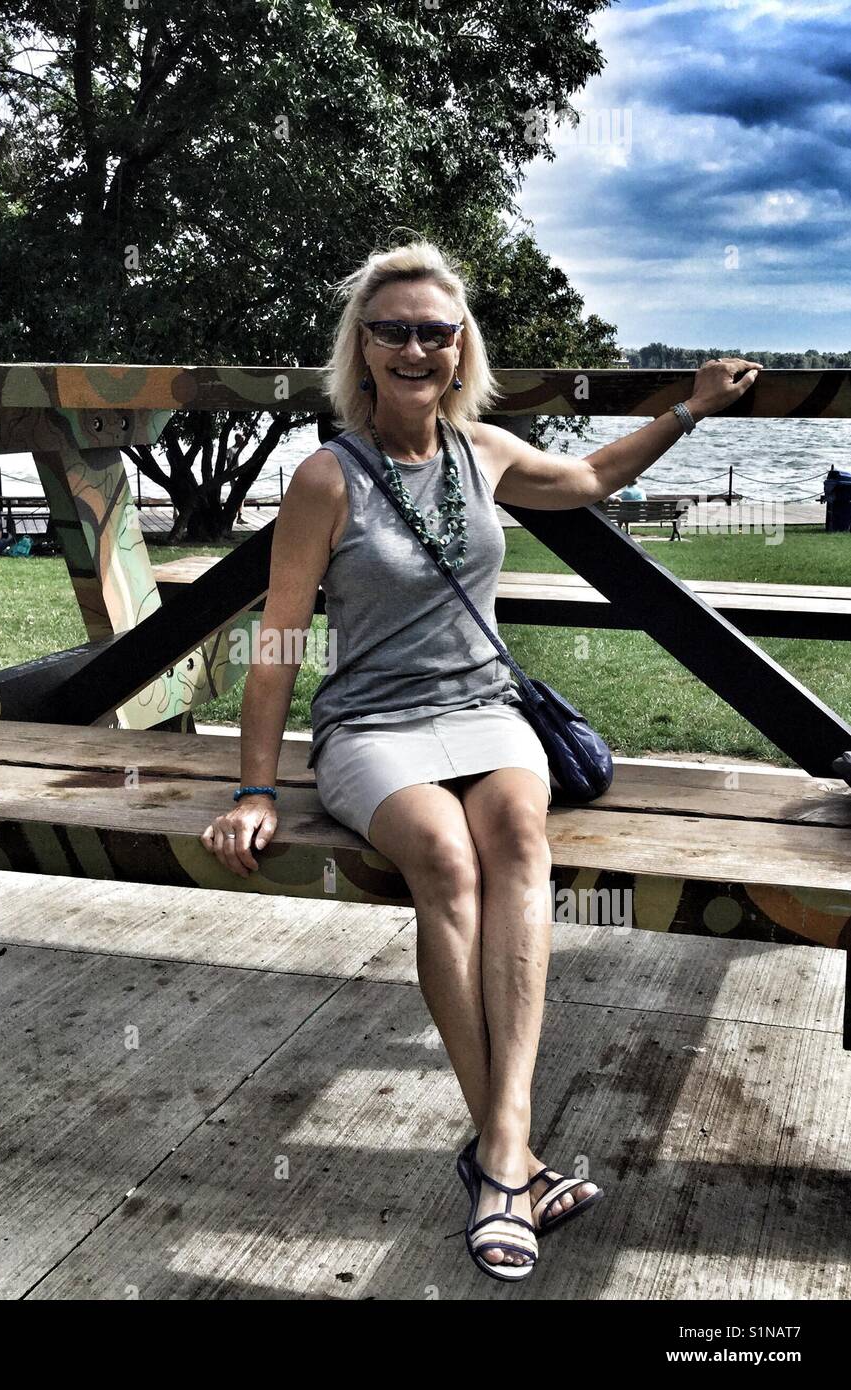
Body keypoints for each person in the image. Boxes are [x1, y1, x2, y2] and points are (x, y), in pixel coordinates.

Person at [198, 237, 762, 1280]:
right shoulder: (325, 478)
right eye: (393, 330)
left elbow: (590, 476)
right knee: (446, 863)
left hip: (485, 709)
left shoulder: (484, 450)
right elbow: (279, 642)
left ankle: (500, 1151)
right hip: (372, 724)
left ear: (462, 347)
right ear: (360, 350)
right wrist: (252, 788)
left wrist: (692, 409)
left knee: (517, 839)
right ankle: (513, 1157)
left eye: (435, 330)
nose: (416, 347)